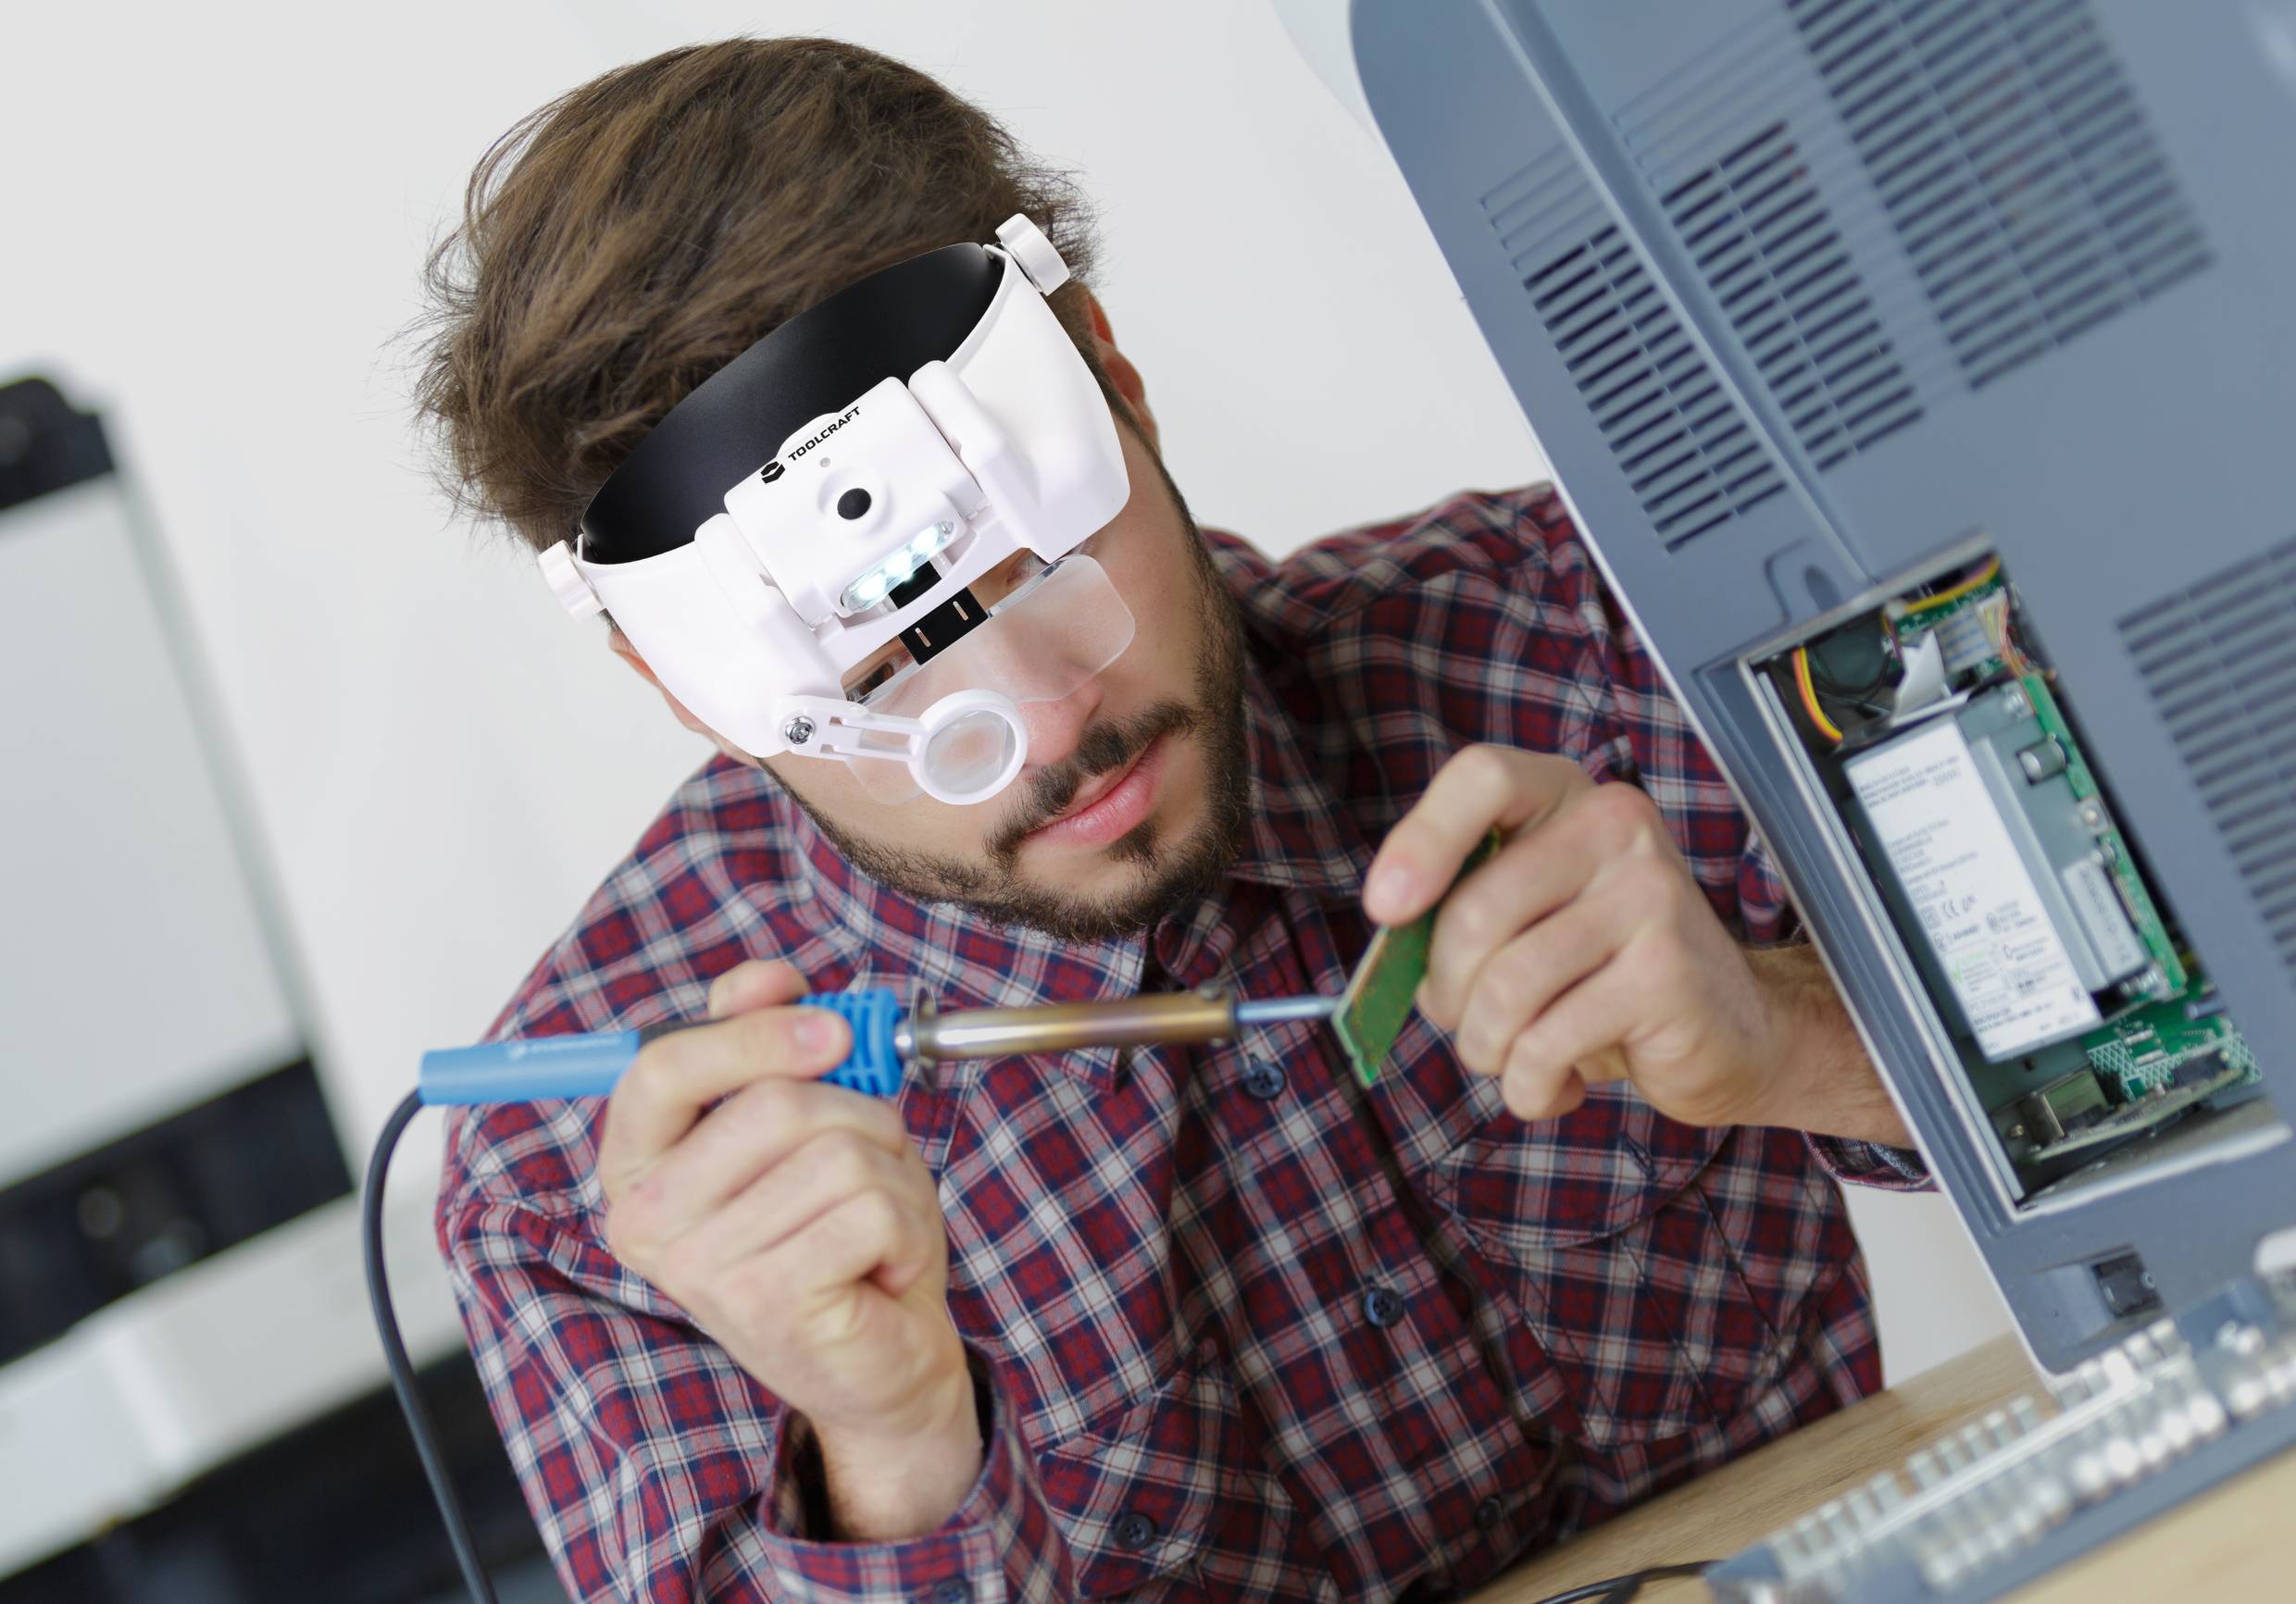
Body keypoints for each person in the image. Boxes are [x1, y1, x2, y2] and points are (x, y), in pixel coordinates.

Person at [416, 36, 1925, 1604]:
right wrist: (890, 1452)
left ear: (1118, 386)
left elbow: (2172, 1054)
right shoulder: (581, 1190)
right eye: (874, 665)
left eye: (1040, 552)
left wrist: (1796, 1032)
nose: (1052, 718)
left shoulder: (1568, 635)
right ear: (683, 684)